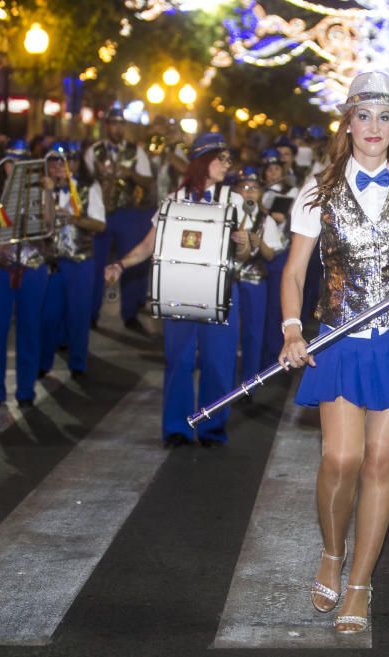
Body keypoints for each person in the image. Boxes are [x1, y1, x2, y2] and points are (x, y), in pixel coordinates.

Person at [278, 71, 389, 634]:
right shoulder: (316, 191)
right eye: (363, 116)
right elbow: (296, 271)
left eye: (383, 117)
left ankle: (360, 582)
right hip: (340, 338)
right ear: (347, 124)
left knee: (379, 462)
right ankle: (332, 549)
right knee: (340, 460)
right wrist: (292, 330)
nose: (373, 127)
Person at [105, 132, 249, 447]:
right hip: (180, 288)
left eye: (227, 159)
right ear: (202, 161)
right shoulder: (174, 200)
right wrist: (121, 265)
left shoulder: (234, 200)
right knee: (180, 361)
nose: (226, 165)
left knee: (217, 363)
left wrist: (244, 243)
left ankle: (212, 428)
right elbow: (148, 244)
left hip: (221, 291)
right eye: (220, 159)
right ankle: (177, 428)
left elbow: (244, 253)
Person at [0, 138, 52, 409]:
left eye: (21, 163)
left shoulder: (40, 192)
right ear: (5, 165)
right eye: (11, 162)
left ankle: (25, 391)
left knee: (29, 329)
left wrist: (47, 194)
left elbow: (49, 227)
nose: (16, 168)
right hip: (0, 268)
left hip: (32, 268)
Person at [38, 142, 106, 378]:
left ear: (75, 165)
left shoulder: (89, 187)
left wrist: (74, 219)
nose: (59, 167)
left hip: (80, 261)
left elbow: (100, 224)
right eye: (54, 162)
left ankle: (78, 364)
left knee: (78, 315)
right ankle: (42, 363)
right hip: (51, 263)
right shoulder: (39, 188)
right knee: (47, 316)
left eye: (64, 162)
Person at [86, 107, 155, 332]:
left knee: (131, 261)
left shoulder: (136, 151)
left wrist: (131, 175)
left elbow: (148, 182)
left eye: (120, 124)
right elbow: (86, 181)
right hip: (102, 212)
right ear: (107, 126)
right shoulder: (93, 151)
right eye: (113, 123)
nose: (117, 128)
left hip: (128, 213)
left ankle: (130, 313)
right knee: (96, 262)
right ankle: (91, 312)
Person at [233, 165, 284, 382]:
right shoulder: (227, 215)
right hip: (230, 283)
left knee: (253, 334)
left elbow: (271, 255)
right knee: (229, 335)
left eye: (254, 188)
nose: (249, 192)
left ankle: (249, 383)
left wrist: (258, 242)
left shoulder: (267, 220)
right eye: (244, 187)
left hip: (254, 281)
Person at [259, 148, 296, 366]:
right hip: (256, 256)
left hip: (278, 255)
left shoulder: (288, 190)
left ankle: (272, 357)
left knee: (274, 309)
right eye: (269, 169)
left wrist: (256, 202)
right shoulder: (260, 189)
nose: (272, 173)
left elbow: (279, 216)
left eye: (276, 169)